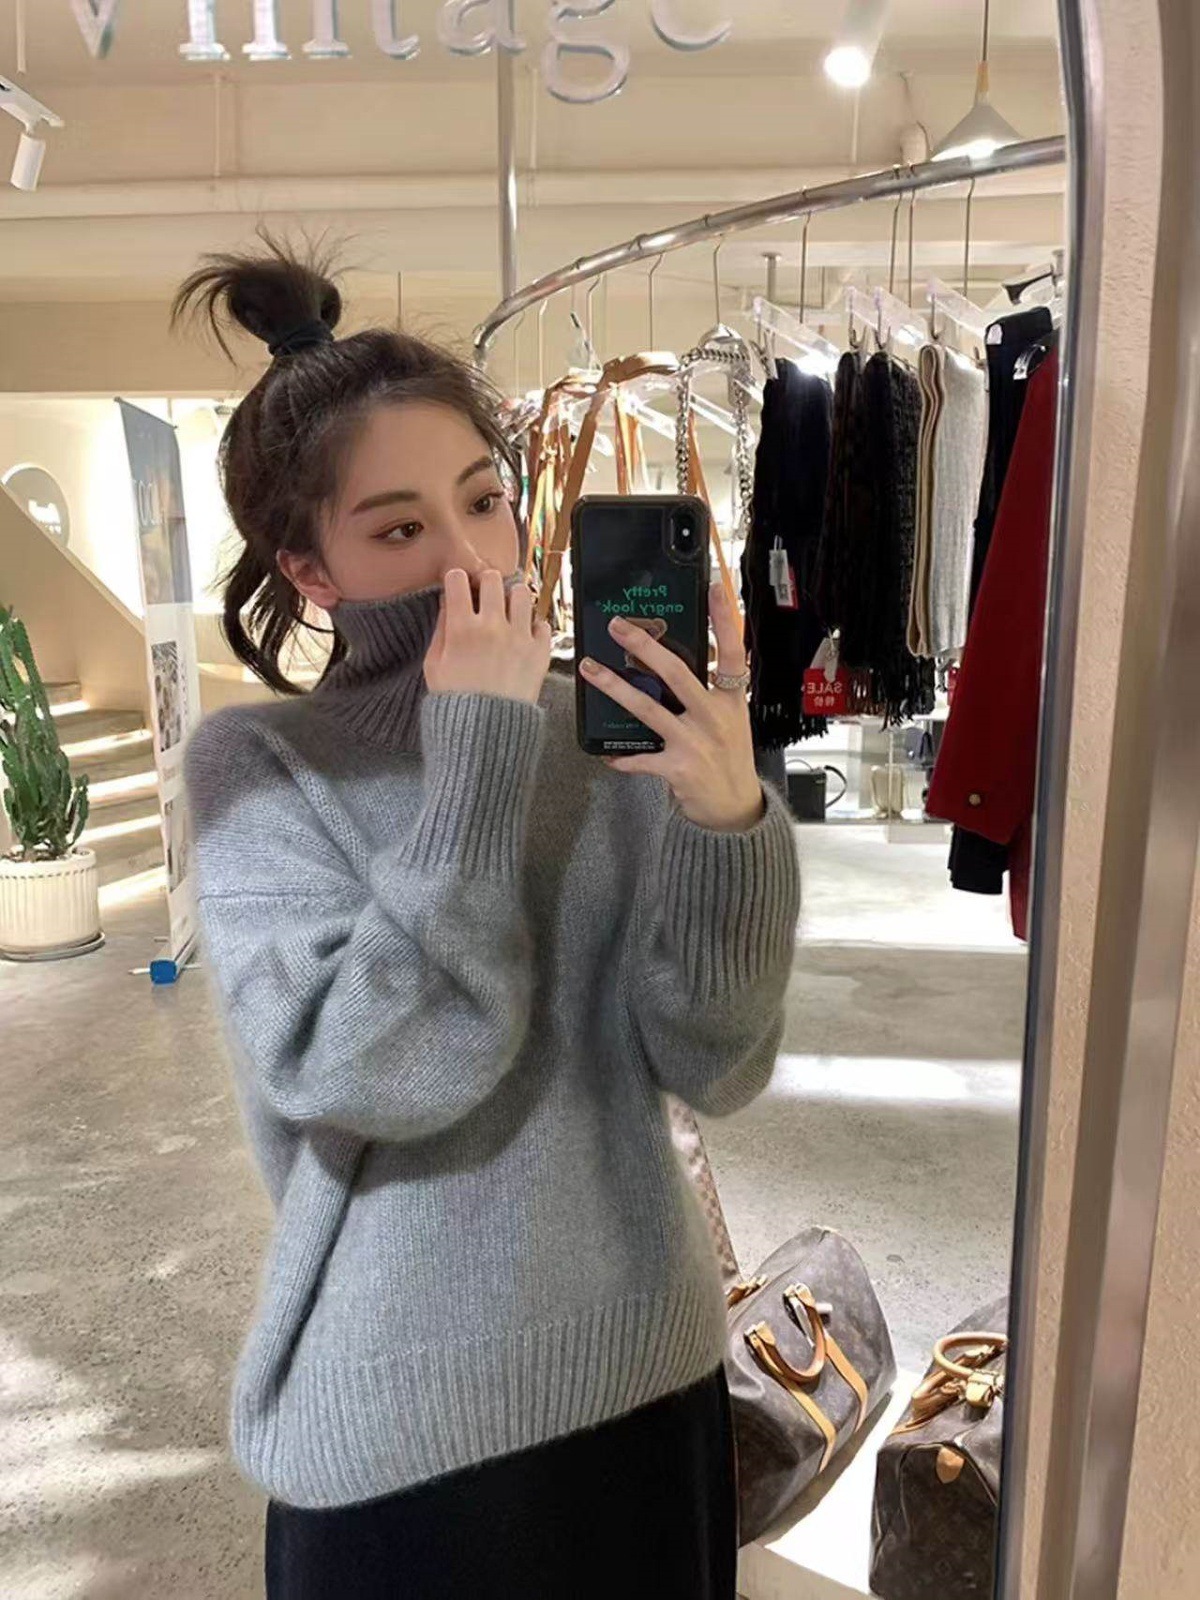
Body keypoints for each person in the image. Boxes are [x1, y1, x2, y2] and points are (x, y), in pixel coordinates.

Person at [178, 240, 800, 1600]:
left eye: (484, 500)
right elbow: (377, 1073)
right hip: (402, 1427)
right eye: (400, 529)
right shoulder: (259, 769)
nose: (469, 558)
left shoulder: (609, 732)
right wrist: (473, 753)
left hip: (647, 1382)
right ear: (311, 567)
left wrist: (727, 820)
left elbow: (713, 1060)